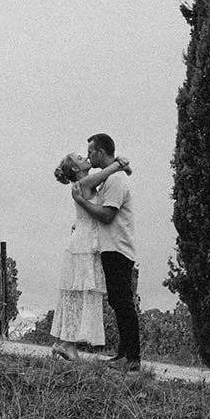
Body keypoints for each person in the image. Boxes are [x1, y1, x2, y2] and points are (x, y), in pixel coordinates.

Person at [50, 150, 130, 361]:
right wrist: (117, 164)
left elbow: (120, 171)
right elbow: (113, 170)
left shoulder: (91, 184)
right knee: (80, 292)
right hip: (83, 244)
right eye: (80, 158)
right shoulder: (82, 185)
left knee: (80, 293)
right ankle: (67, 343)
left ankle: (65, 342)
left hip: (89, 241)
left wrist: (122, 165)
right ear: (76, 168)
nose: (85, 158)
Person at [73, 133, 140, 372]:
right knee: (118, 300)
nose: (89, 155)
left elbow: (107, 215)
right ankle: (124, 353)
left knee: (123, 302)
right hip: (111, 247)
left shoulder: (115, 181)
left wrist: (82, 203)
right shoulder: (110, 177)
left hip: (118, 247)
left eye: (91, 151)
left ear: (101, 152)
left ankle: (132, 357)